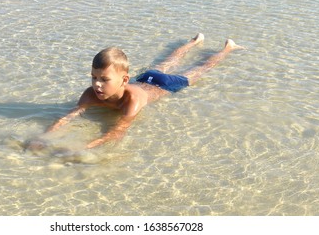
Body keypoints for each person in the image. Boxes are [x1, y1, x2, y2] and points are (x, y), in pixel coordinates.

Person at [45, 33, 244, 149]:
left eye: (104, 80)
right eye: (94, 77)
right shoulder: (90, 93)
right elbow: (67, 117)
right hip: (144, 78)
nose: (97, 84)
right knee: (169, 61)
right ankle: (194, 42)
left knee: (199, 70)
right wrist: (45, 137)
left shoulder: (132, 101)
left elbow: (118, 131)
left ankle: (228, 48)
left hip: (164, 85)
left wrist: (86, 147)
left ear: (123, 80)